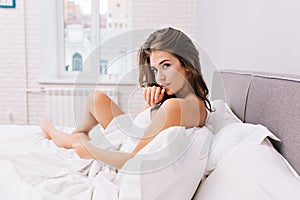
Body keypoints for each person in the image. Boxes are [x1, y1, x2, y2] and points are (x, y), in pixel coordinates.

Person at [40, 27, 212, 170]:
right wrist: (150, 103)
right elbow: (141, 124)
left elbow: (132, 159)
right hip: (130, 134)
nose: (159, 78)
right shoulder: (183, 101)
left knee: (78, 142)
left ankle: (51, 130)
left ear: (188, 64)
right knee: (96, 98)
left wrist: (92, 151)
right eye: (155, 70)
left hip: (122, 148)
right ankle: (81, 129)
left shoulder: (176, 107)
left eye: (166, 65)